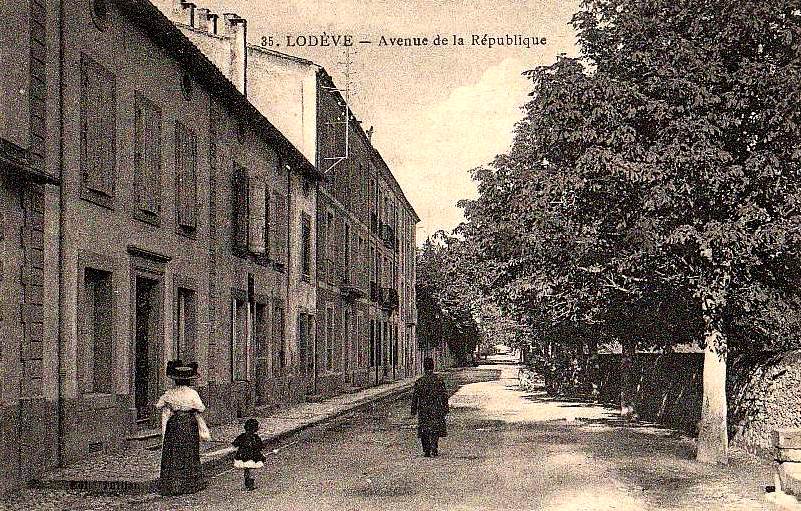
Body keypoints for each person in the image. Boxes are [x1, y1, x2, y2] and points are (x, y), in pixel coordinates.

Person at [156, 360, 211, 496]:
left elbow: (159, 405)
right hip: (188, 423)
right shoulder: (192, 393)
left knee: (173, 452)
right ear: (189, 381)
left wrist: (173, 406)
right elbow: (201, 408)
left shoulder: (169, 393)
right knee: (190, 451)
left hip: (174, 423)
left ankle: (172, 485)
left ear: (175, 380)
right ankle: (190, 484)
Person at [410, 357, 449, 457]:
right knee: (435, 428)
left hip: (424, 409)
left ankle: (426, 450)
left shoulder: (420, 381)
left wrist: (413, 410)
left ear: (424, 367)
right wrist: (445, 408)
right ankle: (434, 447)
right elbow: (444, 395)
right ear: (433, 366)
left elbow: (415, 397)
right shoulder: (439, 380)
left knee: (424, 429)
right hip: (436, 408)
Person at [232, 418, 266, 490]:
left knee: (246, 470)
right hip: (252, 456)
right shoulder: (255, 437)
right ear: (255, 429)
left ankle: (247, 483)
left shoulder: (242, 436)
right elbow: (261, 446)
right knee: (251, 470)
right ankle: (251, 484)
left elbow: (235, 443)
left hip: (243, 456)